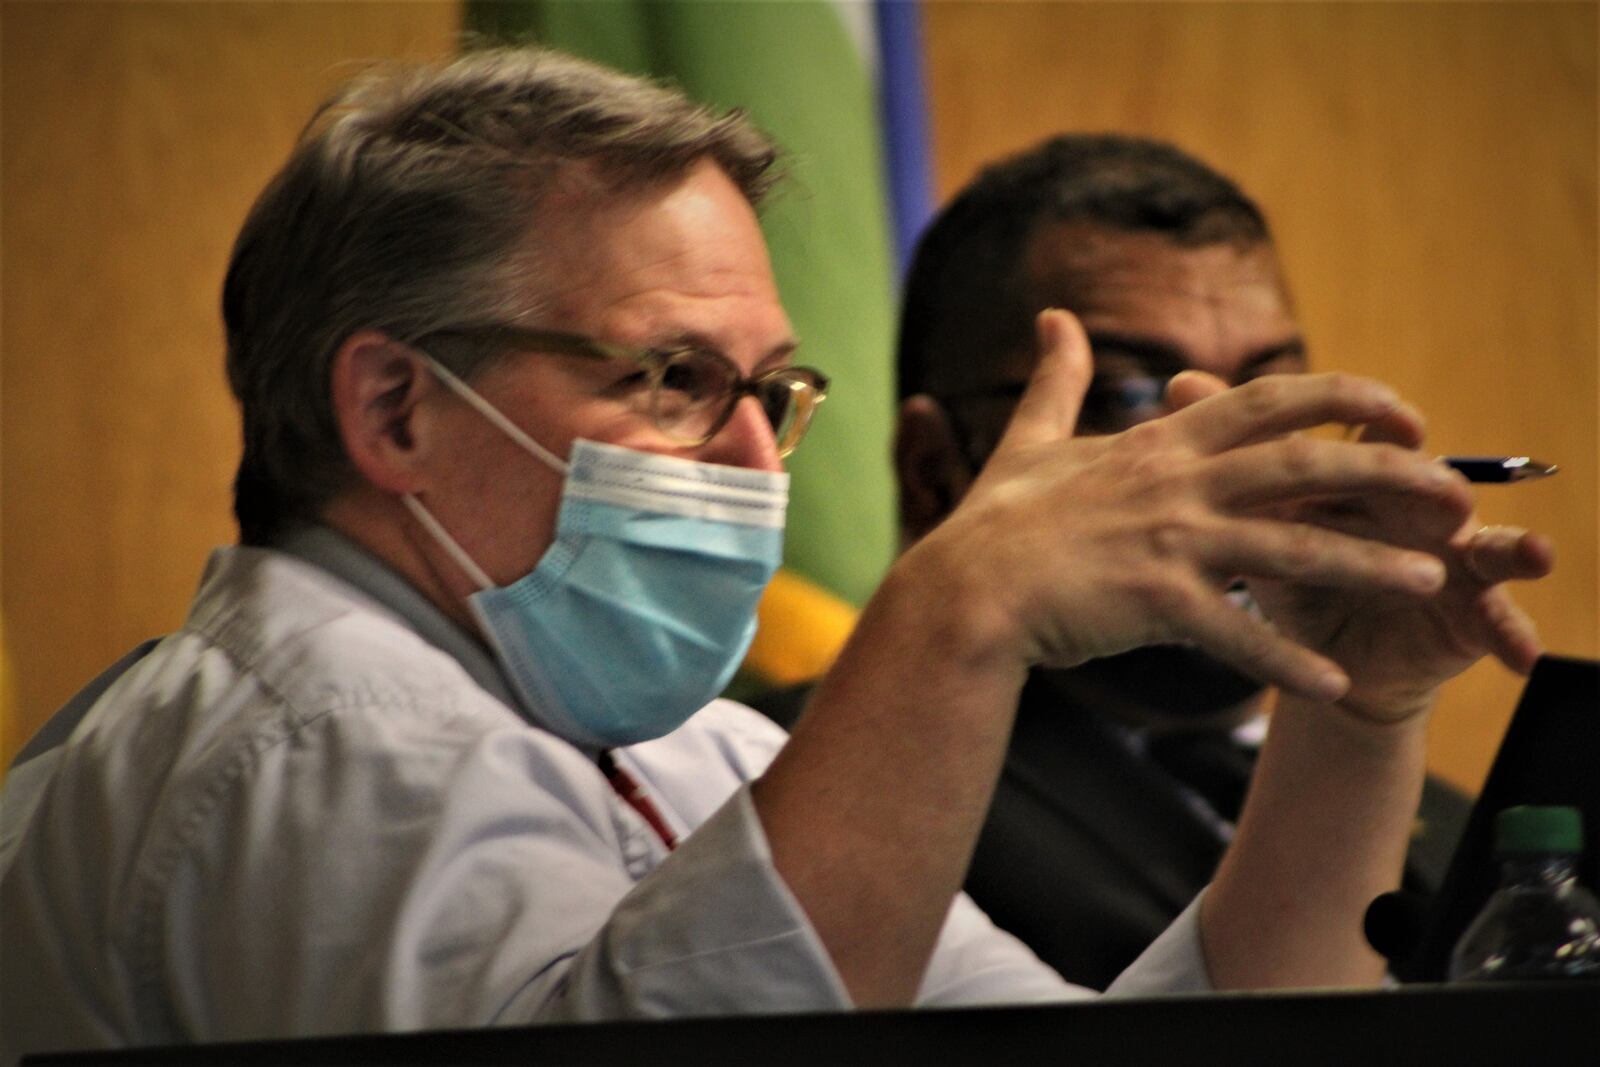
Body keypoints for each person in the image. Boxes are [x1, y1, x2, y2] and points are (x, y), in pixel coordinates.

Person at [0, 48, 1553, 1062]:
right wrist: (962, 605)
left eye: (774, 392)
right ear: (395, 404)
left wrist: (1356, 716)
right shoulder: (315, 735)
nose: (754, 456)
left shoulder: (686, 740)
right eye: (670, 379)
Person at [757, 134, 1475, 990]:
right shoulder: (806, 790)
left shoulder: (1446, 815)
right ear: (933, 468)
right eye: (1129, 396)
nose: (1231, 454)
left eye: (1266, 390)